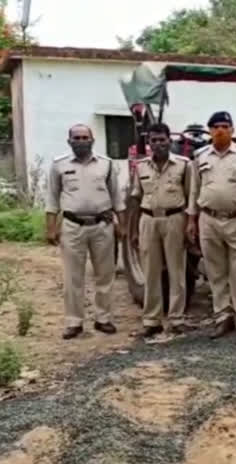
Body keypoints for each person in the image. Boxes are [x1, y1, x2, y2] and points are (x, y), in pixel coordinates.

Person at [187, 111, 236, 339]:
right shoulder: (200, 156)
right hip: (208, 219)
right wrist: (191, 219)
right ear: (209, 131)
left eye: (224, 126)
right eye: (215, 127)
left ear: (232, 130)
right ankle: (222, 317)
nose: (220, 130)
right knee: (215, 272)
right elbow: (194, 189)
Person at [45, 124, 126, 339]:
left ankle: (103, 319)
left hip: (102, 225)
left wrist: (123, 225)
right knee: (73, 276)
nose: (81, 141)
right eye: (77, 137)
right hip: (72, 226)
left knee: (105, 274)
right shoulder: (59, 165)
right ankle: (74, 322)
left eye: (85, 137)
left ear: (92, 140)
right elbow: (52, 198)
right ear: (69, 141)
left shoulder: (106, 164)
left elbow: (117, 197)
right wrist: (51, 227)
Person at [129, 122, 193, 337]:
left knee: (177, 271)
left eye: (162, 139)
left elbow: (190, 197)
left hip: (174, 218)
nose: (158, 144)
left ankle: (176, 319)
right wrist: (134, 230)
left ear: (169, 140)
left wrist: (189, 225)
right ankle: (152, 320)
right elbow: (136, 197)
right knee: (151, 272)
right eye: (154, 140)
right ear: (149, 143)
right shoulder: (141, 167)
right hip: (148, 220)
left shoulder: (184, 165)